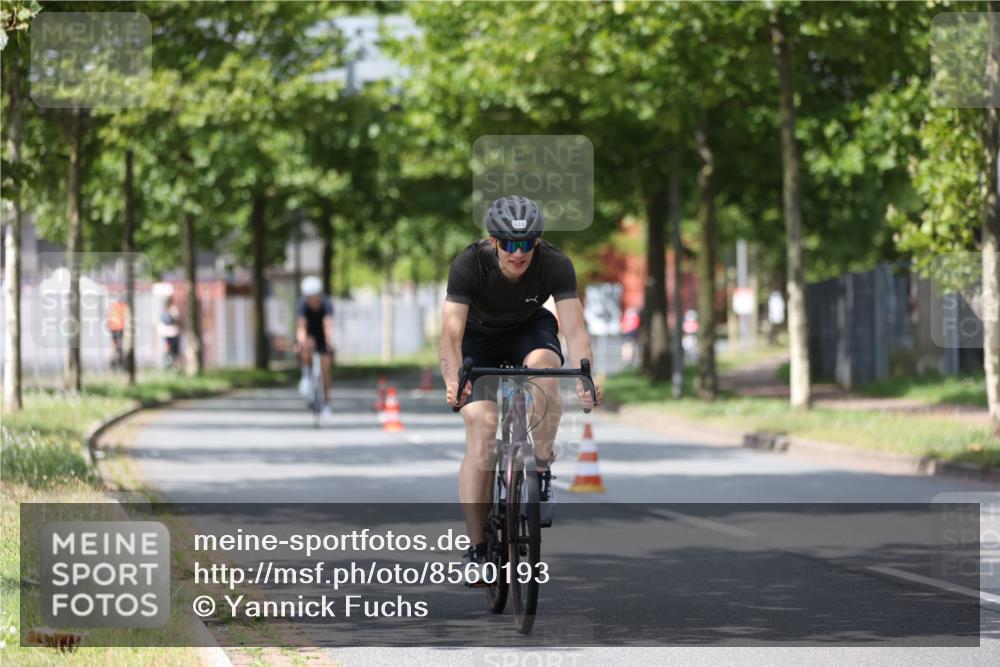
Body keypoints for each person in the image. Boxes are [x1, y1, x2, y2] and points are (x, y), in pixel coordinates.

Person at [439, 195, 601, 577]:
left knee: (547, 369)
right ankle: (478, 550)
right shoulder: (468, 264)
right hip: (477, 338)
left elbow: (575, 330)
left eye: (527, 244)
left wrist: (586, 377)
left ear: (538, 243)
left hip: (529, 328)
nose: (518, 253)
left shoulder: (555, 264)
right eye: (510, 244)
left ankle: (540, 469)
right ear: (493, 241)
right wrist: (453, 380)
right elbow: (449, 333)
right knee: (484, 424)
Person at [296, 276, 335, 417]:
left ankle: (326, 403)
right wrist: (301, 342)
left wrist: (329, 341)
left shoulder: (327, 303)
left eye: (314, 296)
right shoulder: (302, 305)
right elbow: (301, 326)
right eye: (309, 296)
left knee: (325, 370)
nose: (312, 299)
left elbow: (328, 324)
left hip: (323, 336)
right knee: (306, 345)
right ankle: (306, 374)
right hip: (310, 335)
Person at [158, 294, 181, 370]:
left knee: (173, 352)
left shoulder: (171, 310)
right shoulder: (170, 310)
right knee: (170, 351)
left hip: (171, 334)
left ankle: (173, 366)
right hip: (169, 334)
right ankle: (169, 365)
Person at [107, 296, 128, 371]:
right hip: (119, 329)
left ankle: (116, 366)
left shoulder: (113, 307)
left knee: (116, 348)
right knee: (119, 348)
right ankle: (118, 366)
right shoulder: (122, 307)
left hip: (114, 329)